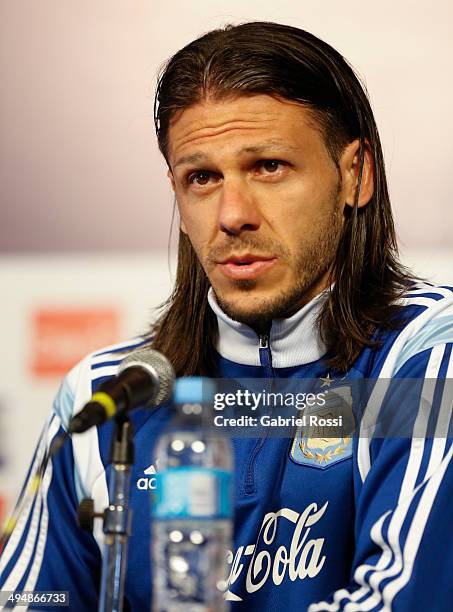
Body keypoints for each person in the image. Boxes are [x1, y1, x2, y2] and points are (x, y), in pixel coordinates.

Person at [1, 21, 452, 611]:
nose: (232, 214)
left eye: (268, 166)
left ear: (354, 175)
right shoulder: (110, 398)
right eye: (202, 178)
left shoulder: (422, 359)